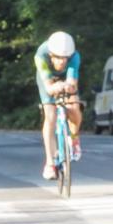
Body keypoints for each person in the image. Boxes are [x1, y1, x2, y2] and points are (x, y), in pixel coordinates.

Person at [34, 30, 82, 180]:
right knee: (50, 116)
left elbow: (72, 83)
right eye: (59, 58)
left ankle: (74, 138)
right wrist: (54, 87)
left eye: (65, 58)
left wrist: (69, 87)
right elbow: (48, 87)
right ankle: (49, 163)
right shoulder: (41, 56)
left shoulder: (74, 56)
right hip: (47, 79)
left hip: (66, 79)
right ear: (51, 55)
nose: (62, 62)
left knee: (74, 106)